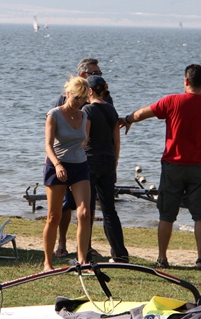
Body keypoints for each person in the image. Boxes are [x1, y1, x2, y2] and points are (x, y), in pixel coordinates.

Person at [120, 64, 201, 270]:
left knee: (166, 213)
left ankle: (162, 258)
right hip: (199, 166)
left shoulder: (171, 101)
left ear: (185, 81)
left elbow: (141, 114)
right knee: (200, 214)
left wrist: (127, 119)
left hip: (172, 164)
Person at [55, 58, 110, 259]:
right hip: (66, 160)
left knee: (86, 208)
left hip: (89, 160)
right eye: (95, 72)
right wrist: (56, 162)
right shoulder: (65, 99)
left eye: (100, 71)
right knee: (65, 205)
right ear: (84, 75)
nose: (99, 75)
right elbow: (52, 132)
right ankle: (61, 244)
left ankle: (85, 247)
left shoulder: (101, 96)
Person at [42, 76, 92, 271]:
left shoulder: (84, 115)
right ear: (68, 93)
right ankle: (48, 262)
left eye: (83, 99)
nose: (79, 102)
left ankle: (83, 261)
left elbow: (82, 140)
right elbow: (47, 145)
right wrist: (57, 165)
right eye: (76, 97)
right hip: (57, 166)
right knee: (54, 216)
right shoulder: (54, 114)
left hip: (80, 166)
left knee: (85, 213)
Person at [81, 75, 129, 262]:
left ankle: (84, 251)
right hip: (109, 161)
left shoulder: (88, 109)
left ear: (90, 91)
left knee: (88, 208)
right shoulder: (112, 110)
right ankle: (120, 254)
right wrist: (115, 164)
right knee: (109, 209)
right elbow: (116, 141)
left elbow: (84, 141)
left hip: (91, 161)